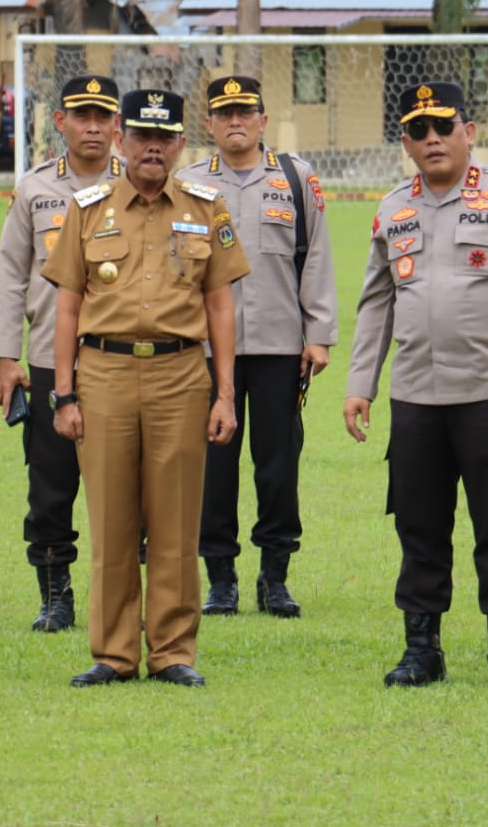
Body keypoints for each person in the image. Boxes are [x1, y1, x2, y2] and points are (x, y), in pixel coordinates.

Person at [344, 81, 488, 688]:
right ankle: (422, 649)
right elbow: (375, 304)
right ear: (405, 142)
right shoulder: (393, 208)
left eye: (443, 125)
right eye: (419, 130)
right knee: (418, 525)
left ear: (469, 131)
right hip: (415, 397)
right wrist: (360, 383)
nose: (432, 138)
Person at [41, 88, 250, 688]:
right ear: (120, 139)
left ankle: (172, 651)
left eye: (164, 137)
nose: (152, 148)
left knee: (176, 521)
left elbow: (221, 307)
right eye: (140, 136)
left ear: (183, 142)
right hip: (102, 375)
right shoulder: (88, 206)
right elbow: (66, 307)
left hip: (180, 375)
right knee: (110, 520)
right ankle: (113, 653)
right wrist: (65, 393)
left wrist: (224, 392)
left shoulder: (207, 207)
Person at [176, 75, 337, 619]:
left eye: (245, 111)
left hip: (279, 345)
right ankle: (220, 578)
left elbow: (315, 257)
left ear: (264, 120)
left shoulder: (295, 178)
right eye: (224, 114)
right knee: (213, 468)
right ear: (211, 124)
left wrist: (318, 334)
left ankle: (275, 576)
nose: (235, 121)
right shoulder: (189, 182)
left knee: (277, 465)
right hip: (203, 349)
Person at [0, 74, 123, 632]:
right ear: (59, 121)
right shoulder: (35, 188)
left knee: (128, 484)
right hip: (46, 356)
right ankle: (55, 594)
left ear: (117, 125)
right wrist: (2, 355)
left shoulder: (141, 184)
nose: (92, 127)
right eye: (80, 116)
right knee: (51, 483)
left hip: (125, 358)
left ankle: (123, 597)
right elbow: (10, 274)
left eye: (102, 117)